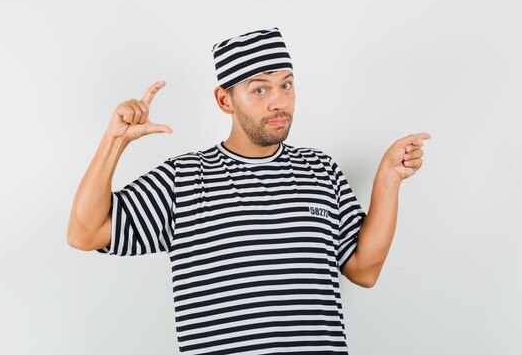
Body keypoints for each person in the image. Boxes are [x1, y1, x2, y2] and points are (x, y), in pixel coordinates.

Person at [67, 27, 431, 354]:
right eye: (260, 89)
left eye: (286, 85)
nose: (279, 102)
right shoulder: (185, 178)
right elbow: (85, 232)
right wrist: (114, 142)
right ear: (225, 100)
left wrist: (388, 179)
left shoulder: (322, 171)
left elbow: (364, 270)